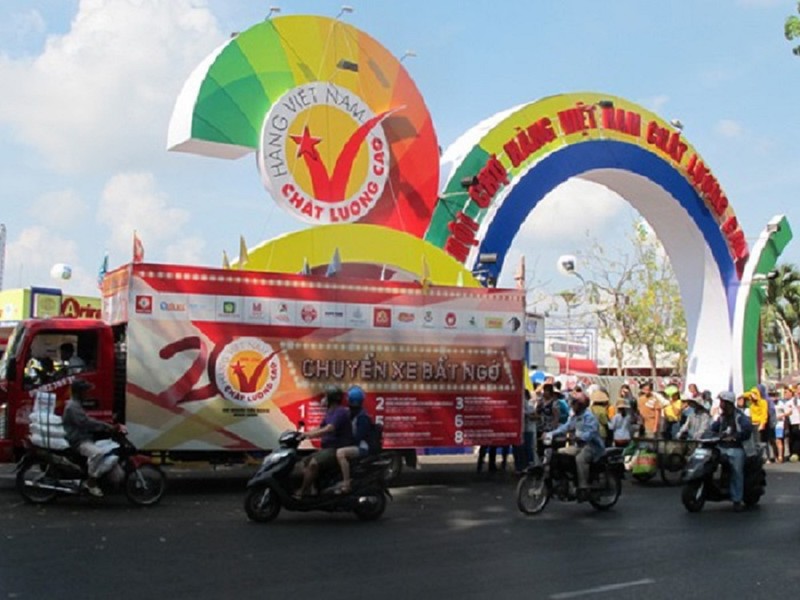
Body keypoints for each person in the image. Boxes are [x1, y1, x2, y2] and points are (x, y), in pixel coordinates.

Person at [61, 379, 118, 497]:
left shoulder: (76, 405)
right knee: (98, 453)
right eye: (86, 391)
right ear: (79, 392)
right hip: (78, 441)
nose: (88, 394)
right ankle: (91, 482)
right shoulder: (73, 407)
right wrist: (105, 426)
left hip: (84, 438)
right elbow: (85, 422)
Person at [296, 386, 354, 498]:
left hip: (335, 449)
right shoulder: (330, 412)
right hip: (327, 448)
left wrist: (310, 435)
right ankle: (313, 489)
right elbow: (320, 427)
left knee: (313, 464)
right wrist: (303, 434)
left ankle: (302, 492)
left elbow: (329, 428)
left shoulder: (340, 412)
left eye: (326, 397)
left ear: (331, 399)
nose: (323, 399)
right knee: (302, 463)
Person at [549, 391, 605, 501]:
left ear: (580, 405)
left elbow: (591, 433)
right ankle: (566, 480)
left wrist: (579, 437)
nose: (572, 406)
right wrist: (550, 434)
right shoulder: (575, 417)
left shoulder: (589, 417)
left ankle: (583, 487)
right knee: (560, 453)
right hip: (579, 446)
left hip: (592, 447)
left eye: (574, 403)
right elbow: (565, 427)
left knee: (580, 459)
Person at [703, 390, 754, 512]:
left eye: (722, 402)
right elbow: (712, 429)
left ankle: (737, 499)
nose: (720, 404)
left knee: (737, 471)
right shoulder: (721, 418)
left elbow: (747, 430)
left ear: (728, 403)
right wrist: (704, 434)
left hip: (736, 448)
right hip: (721, 448)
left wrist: (736, 436)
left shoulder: (740, 417)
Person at [334, 386, 374, 494]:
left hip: (361, 447)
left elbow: (357, 437)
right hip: (353, 444)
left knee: (340, 453)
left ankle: (346, 483)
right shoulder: (350, 413)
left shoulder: (362, 417)